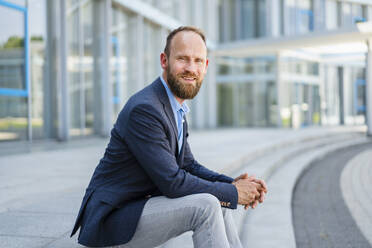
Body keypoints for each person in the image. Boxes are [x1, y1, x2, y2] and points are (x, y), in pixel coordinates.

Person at [70, 26, 267, 248]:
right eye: (183, 59)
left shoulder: (175, 107)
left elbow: (189, 165)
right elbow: (173, 182)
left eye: (198, 61)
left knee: (219, 200)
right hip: (113, 220)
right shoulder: (145, 109)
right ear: (164, 61)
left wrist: (233, 184)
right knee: (207, 205)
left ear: (206, 66)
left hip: (138, 207)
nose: (191, 68)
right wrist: (234, 192)